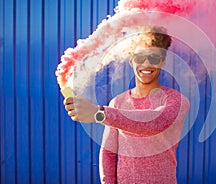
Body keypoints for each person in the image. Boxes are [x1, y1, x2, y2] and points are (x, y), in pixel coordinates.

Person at [64, 27, 190, 183]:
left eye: (154, 58)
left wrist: (99, 113)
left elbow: (155, 122)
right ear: (131, 60)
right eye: (140, 57)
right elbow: (108, 153)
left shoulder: (177, 101)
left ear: (163, 62)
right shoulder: (117, 102)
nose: (146, 63)